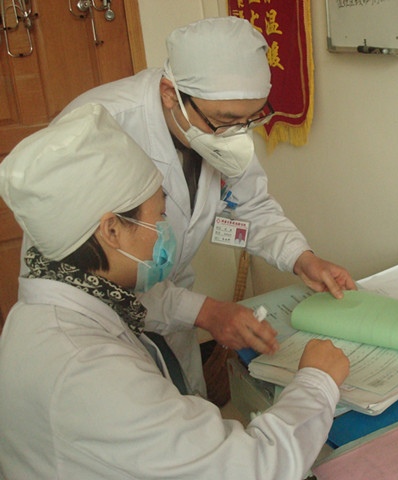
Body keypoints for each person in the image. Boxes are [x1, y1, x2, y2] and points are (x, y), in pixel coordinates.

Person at [0, 103, 350, 479]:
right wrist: (317, 382)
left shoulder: (62, 293)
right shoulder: (87, 371)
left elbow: (139, 301)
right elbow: (251, 468)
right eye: (160, 216)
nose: (165, 231)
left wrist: (209, 311)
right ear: (112, 230)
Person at [45, 16, 357, 399]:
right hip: (98, 328)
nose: (236, 132)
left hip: (171, 306)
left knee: (185, 405)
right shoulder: (100, 127)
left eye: (250, 119)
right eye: (226, 120)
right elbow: (83, 272)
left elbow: (250, 205)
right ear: (169, 93)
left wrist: (301, 258)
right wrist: (205, 312)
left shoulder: (221, 128)